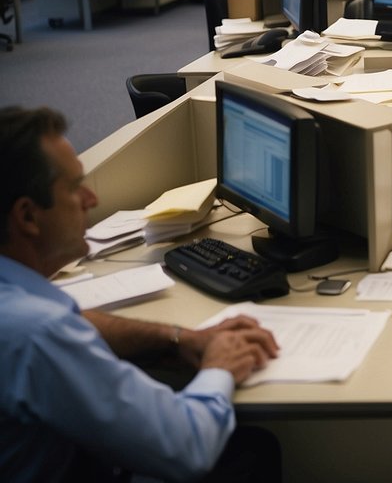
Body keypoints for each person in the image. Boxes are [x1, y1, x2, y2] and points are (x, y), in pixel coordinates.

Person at [0, 106, 281, 483]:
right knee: (249, 451)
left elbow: (69, 321)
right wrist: (220, 367)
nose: (91, 199)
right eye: (72, 188)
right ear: (28, 217)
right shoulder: (37, 333)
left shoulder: (20, 305)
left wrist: (177, 337)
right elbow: (187, 446)